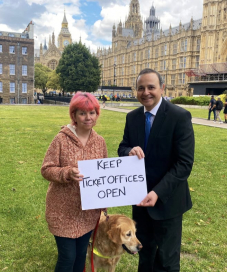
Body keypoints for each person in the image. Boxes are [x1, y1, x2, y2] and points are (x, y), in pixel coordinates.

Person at [118, 68, 195, 272]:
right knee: (145, 254)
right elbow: (122, 146)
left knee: (167, 260)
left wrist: (158, 192)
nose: (146, 92)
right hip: (140, 200)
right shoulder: (132, 117)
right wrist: (128, 151)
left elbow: (184, 163)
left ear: (162, 88)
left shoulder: (179, 116)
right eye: (141, 88)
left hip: (167, 201)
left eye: (151, 87)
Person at [41, 92, 107, 272]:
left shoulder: (100, 142)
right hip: (62, 210)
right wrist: (67, 173)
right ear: (74, 116)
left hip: (87, 213)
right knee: (67, 257)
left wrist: (104, 206)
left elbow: (104, 177)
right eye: (82, 113)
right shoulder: (61, 139)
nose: (88, 117)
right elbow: (46, 169)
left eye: (92, 113)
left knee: (80, 258)